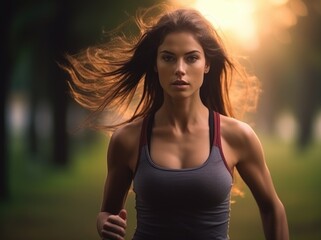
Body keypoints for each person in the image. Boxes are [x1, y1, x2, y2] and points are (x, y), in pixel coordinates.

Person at [63, 4, 289, 240]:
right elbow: (106, 213)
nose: (180, 69)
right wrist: (105, 224)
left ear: (207, 64)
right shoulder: (127, 139)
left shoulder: (237, 136)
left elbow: (273, 208)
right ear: (155, 63)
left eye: (191, 58)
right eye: (168, 58)